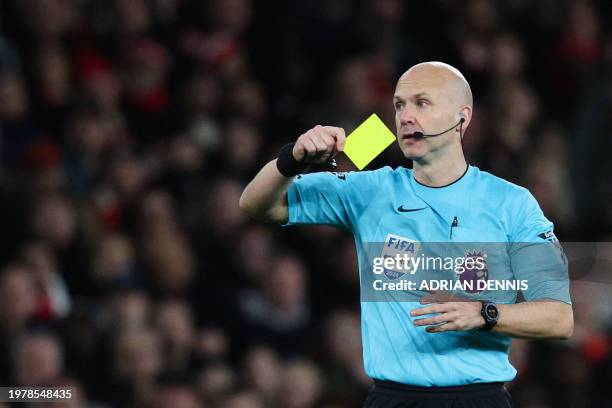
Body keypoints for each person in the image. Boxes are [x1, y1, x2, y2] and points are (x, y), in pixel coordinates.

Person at [239, 61, 573, 408]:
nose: (405, 115)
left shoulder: (512, 202)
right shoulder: (371, 191)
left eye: (422, 103)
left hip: (479, 398)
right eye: (399, 105)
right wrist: (291, 158)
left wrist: (484, 313)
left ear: (463, 117)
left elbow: (559, 317)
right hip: (393, 398)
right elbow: (256, 204)